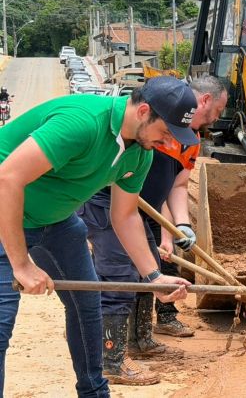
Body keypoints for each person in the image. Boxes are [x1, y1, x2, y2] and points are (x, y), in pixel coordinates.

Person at [0, 75, 197, 397]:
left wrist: (153, 276)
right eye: (165, 132)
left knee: (87, 306)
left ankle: (93, 391)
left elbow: (125, 215)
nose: (167, 142)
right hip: (4, 215)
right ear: (143, 111)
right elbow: (7, 178)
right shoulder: (83, 122)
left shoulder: (140, 153)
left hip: (57, 223)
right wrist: (21, 265)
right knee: (1, 323)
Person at [79, 75, 228, 385]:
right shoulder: (155, 126)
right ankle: (110, 360)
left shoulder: (188, 138)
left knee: (149, 270)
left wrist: (181, 225)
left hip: (138, 212)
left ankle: (140, 340)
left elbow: (177, 185)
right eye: (218, 110)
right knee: (119, 275)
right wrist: (164, 232)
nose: (217, 118)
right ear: (204, 101)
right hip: (111, 205)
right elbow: (132, 181)